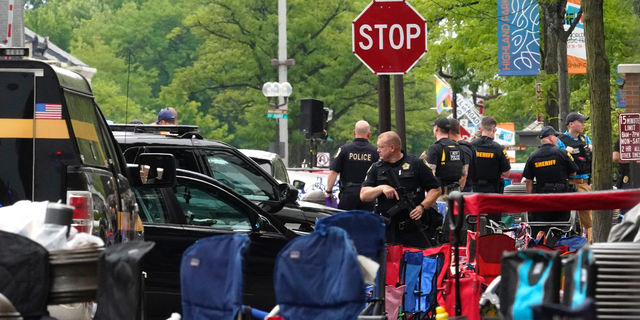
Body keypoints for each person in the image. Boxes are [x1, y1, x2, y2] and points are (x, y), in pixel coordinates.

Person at [360, 132, 442, 247]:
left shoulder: (416, 164)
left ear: (392, 147)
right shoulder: (376, 168)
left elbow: (436, 189)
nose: (377, 150)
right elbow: (364, 195)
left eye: (381, 147)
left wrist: (422, 207)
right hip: (387, 230)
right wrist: (381, 188)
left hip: (414, 229)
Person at [522, 126, 579, 237]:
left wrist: (530, 199)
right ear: (550, 137)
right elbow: (573, 173)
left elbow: (528, 181)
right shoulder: (562, 153)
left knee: (541, 231)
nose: (558, 139)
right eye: (556, 137)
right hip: (561, 199)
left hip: (541, 200)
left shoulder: (533, 156)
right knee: (562, 229)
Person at [326, 120, 379, 210]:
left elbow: (333, 172)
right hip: (368, 194)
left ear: (354, 132)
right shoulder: (375, 151)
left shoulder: (344, 149)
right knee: (366, 222)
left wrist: (329, 191)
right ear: (369, 134)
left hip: (348, 194)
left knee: (346, 222)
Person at [557, 112, 593, 242]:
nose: (583, 124)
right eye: (580, 122)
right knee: (570, 219)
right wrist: (564, 152)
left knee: (588, 219)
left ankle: (589, 246)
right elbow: (557, 161)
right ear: (571, 124)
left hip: (584, 183)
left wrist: (591, 149)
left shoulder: (585, 139)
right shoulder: (560, 141)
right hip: (569, 183)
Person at [470, 116, 511, 225]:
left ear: (480, 128)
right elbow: (507, 173)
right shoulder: (498, 148)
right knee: (493, 223)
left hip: (473, 190)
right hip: (492, 191)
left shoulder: (471, 146)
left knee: (473, 221)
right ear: (494, 130)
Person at [425, 117, 465, 196]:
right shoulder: (458, 146)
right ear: (449, 130)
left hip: (441, 193)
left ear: (436, 128)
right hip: (456, 193)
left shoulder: (435, 147)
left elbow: (431, 174)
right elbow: (464, 172)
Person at [449, 118, 475, 192]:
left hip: (464, 192)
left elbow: (464, 174)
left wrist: (457, 192)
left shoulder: (463, 148)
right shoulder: (462, 147)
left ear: (449, 131)